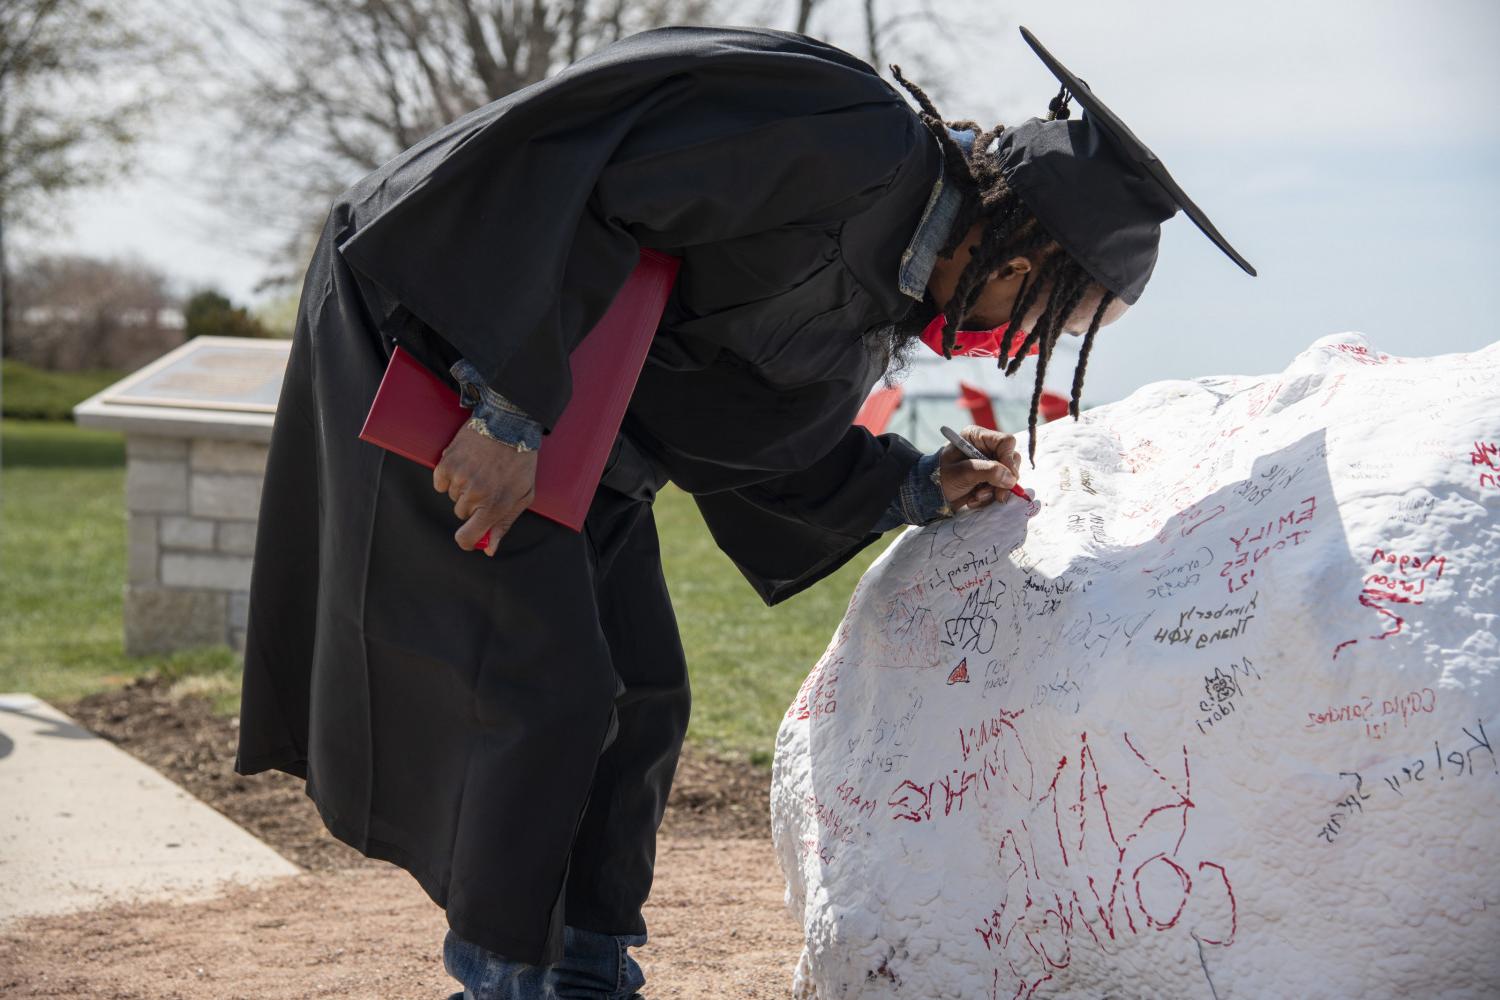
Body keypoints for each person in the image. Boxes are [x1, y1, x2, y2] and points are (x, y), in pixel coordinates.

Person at [232, 23, 1252, 1000]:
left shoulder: (876, 302)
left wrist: (908, 483)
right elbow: (586, 176)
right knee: (545, 683)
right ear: (1021, 268)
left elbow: (744, 431)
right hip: (443, 324)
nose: (1013, 347)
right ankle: (508, 980)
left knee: (643, 691)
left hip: (577, 422)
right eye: (1046, 321)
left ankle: (589, 971)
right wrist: (504, 404)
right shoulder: (847, 132)